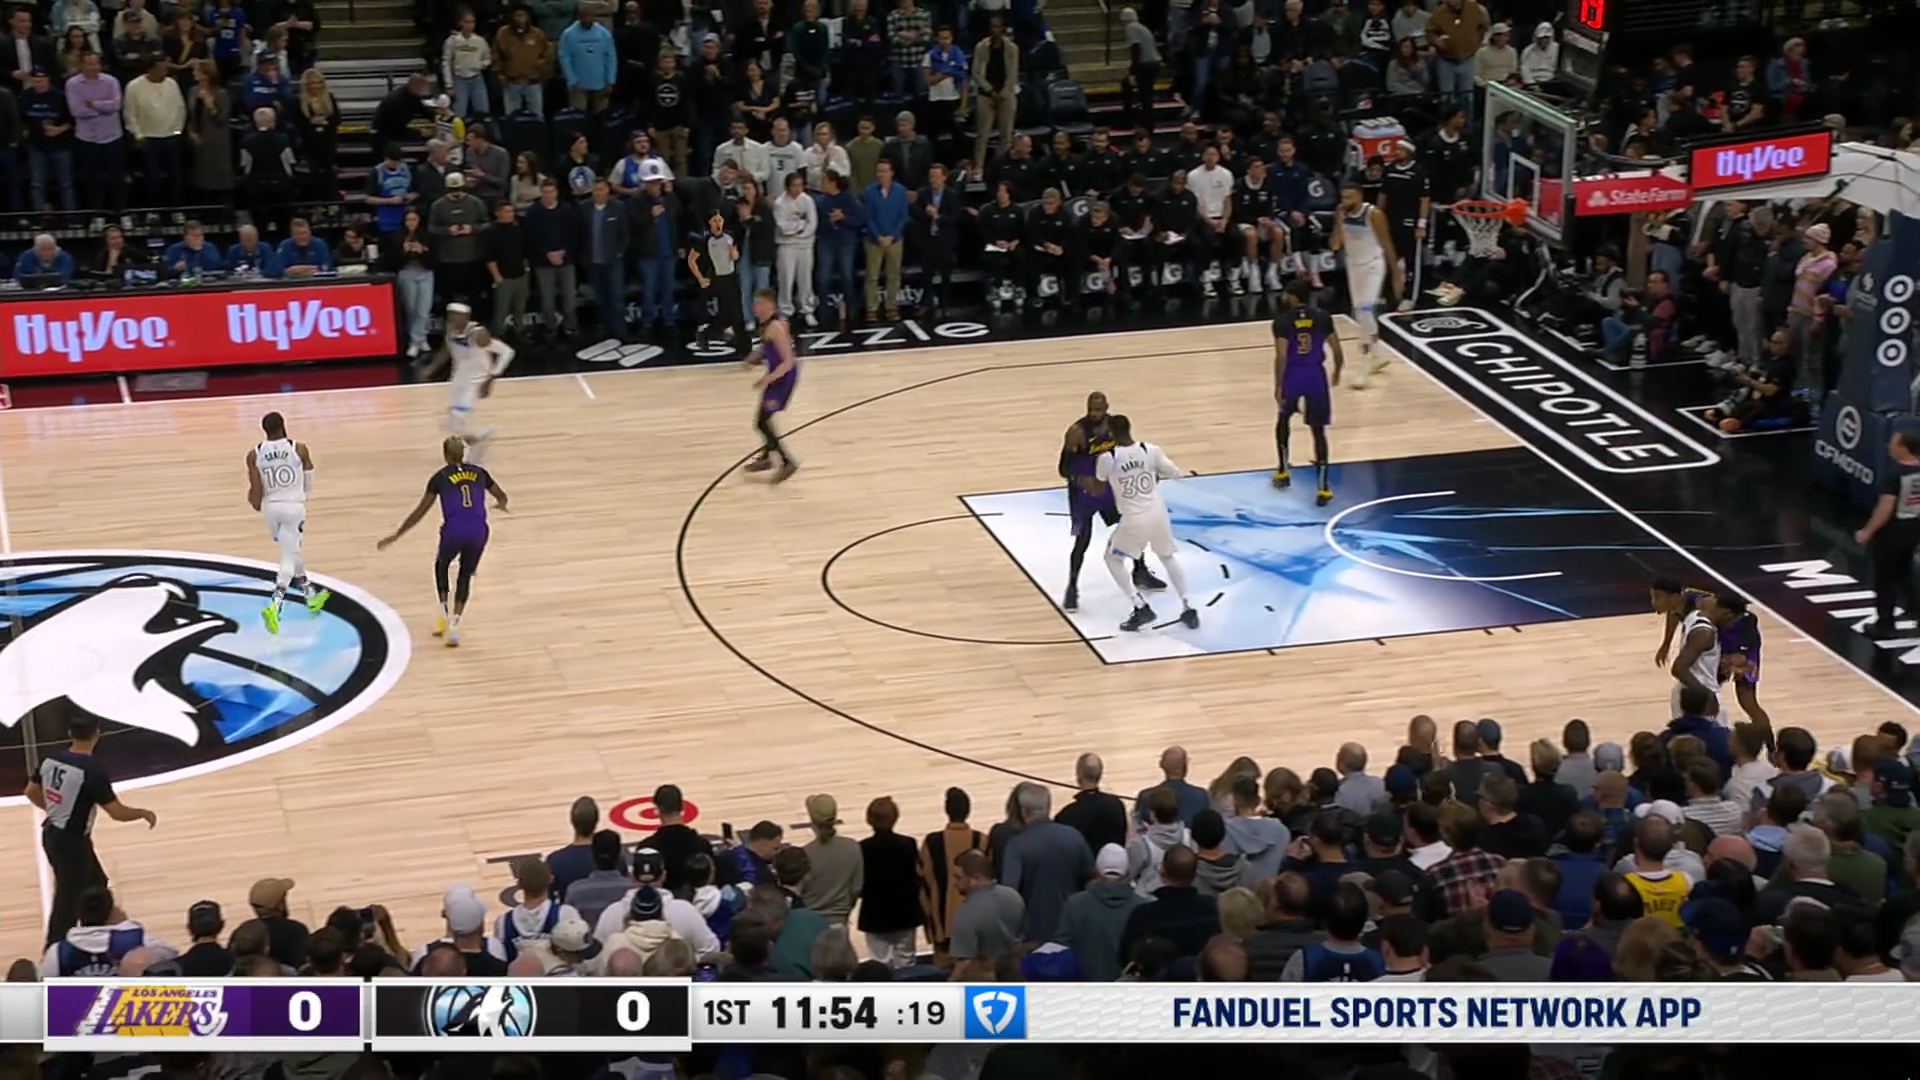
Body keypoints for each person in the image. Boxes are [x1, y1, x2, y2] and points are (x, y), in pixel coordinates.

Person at [25, 712, 157, 946]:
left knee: (97, 882)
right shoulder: (91, 770)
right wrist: (143, 813)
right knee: (67, 900)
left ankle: (94, 930)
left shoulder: (49, 759)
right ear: (97, 735)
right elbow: (116, 812)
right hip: (71, 842)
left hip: (53, 834)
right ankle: (54, 950)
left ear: (70, 734)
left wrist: (54, 809)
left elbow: (30, 791)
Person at [377, 436, 510, 647]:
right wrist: (501, 505)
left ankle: (443, 615)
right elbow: (502, 496)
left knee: (442, 565)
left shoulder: (440, 477)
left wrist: (397, 534)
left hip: (454, 529)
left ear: (445, 455)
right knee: (465, 575)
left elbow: (420, 512)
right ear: (462, 454)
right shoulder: (480, 473)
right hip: (479, 530)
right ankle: (455, 627)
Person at [1060, 391, 1164, 612]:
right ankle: (1072, 588)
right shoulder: (1077, 432)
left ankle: (1140, 571)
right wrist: (1083, 480)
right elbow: (1063, 468)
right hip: (1084, 493)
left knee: (1132, 528)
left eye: (1098, 410)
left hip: (1108, 489)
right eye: (1091, 409)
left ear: (1106, 408)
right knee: (1082, 541)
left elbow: (1129, 453)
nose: (1094, 413)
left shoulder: (1114, 428)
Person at [1096, 414, 1199, 633]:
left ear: (1111, 433)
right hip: (1158, 513)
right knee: (1167, 557)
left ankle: (1139, 606)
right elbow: (1175, 473)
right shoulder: (1150, 450)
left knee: (1112, 559)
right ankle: (1188, 607)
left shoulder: (1108, 457)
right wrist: (1151, 474)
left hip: (1134, 518)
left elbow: (1100, 480)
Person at [1650, 580, 1770, 742]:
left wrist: (1740, 657)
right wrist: (1666, 643)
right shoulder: (1693, 614)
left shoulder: (1737, 621)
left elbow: (1680, 667)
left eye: (1657, 597)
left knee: (1747, 701)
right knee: (1704, 685)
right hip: (1707, 650)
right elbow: (1674, 614)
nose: (1653, 603)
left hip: (1741, 643)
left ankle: (1772, 747)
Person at [247, 411, 329, 633]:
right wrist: (304, 496)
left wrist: (255, 502)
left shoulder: (254, 454)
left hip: (271, 509)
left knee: (291, 550)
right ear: (283, 426)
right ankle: (275, 605)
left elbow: (255, 489)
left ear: (264, 430)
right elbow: (309, 474)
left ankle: (310, 595)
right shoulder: (298, 448)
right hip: (293, 507)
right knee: (288, 557)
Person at [1272, 279, 1344, 507]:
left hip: (1294, 374)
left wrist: (1278, 385)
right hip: (1316, 376)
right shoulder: (1323, 317)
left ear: (1294, 296)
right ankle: (1323, 487)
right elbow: (1337, 350)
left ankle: (1283, 471)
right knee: (1318, 431)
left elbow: (1282, 356)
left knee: (1283, 419)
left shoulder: (1282, 321)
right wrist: (1337, 370)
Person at [420, 302, 515, 458]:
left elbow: (507, 352)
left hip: (477, 379)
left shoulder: (478, 334)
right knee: (452, 421)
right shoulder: (451, 331)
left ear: (465, 317)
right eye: (450, 314)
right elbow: (446, 351)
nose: (451, 318)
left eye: (455, 315)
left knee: (458, 415)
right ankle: (479, 436)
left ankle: (472, 449)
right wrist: (431, 368)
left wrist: (492, 377)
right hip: (459, 377)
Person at [1329, 177, 1399, 387]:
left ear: (1360, 196)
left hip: (1373, 265)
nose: (1345, 201)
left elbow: (1387, 244)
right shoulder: (1341, 213)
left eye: (1349, 197)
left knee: (1365, 311)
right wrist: (1339, 221)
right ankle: (1378, 353)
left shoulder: (1373, 214)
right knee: (1360, 311)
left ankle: (1364, 363)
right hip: (1353, 265)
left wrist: (1396, 273)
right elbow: (1335, 245)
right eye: (1343, 197)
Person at [1857, 430, 1920, 640]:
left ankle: (1885, 625)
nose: (1889, 446)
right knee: (1904, 573)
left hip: (1893, 531)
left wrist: (1868, 531)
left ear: (1904, 448)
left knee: (1884, 579)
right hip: (1914, 528)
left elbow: (1885, 508)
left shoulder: (1895, 475)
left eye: (1893, 443)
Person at [746, 290, 799, 482]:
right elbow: (770, 349)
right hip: (776, 377)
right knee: (763, 419)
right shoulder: (769, 323)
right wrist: (758, 356)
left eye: (759, 303)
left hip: (783, 379)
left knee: (762, 422)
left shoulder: (776, 326)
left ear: (769, 304)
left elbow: (788, 361)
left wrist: (768, 379)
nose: (755, 307)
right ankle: (767, 457)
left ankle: (787, 462)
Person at [690, 208, 744, 354]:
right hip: (719, 279)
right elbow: (691, 260)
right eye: (714, 220)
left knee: (735, 312)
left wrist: (734, 254)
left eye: (720, 220)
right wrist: (700, 278)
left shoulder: (730, 236)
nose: (718, 223)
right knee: (727, 313)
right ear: (709, 223)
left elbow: (735, 256)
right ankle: (706, 333)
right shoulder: (705, 240)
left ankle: (735, 339)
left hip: (732, 277)